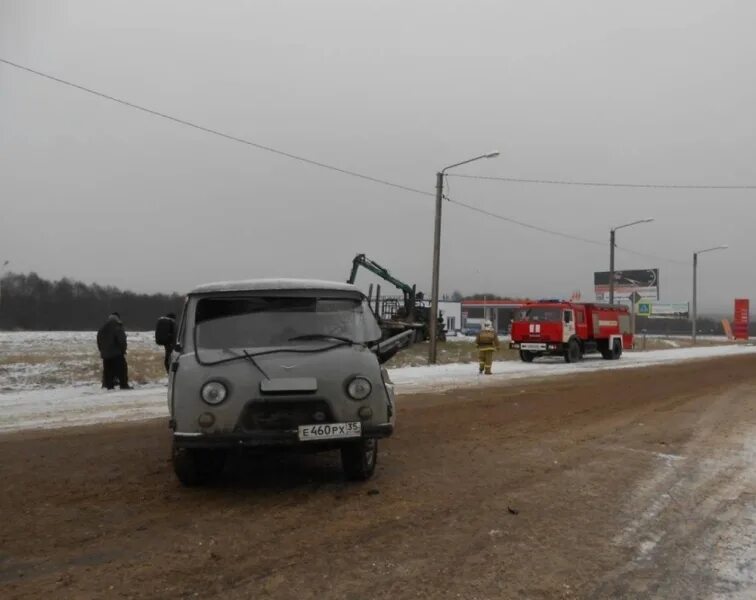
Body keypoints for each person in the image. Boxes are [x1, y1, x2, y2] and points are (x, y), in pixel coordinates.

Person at [97, 312, 131, 389]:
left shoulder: (103, 327)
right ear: (118, 318)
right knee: (122, 369)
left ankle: (108, 385)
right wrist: (123, 350)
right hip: (116, 353)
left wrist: (102, 351)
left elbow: (99, 340)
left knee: (108, 370)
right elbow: (121, 339)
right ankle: (123, 385)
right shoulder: (117, 325)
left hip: (105, 354)